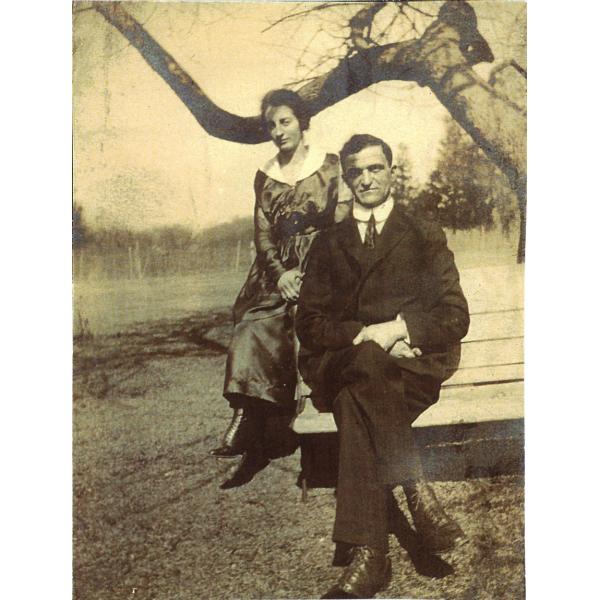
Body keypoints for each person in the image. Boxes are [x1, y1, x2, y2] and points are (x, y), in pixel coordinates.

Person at [295, 134, 470, 598]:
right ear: (347, 180)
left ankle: (369, 554)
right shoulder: (328, 243)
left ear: (391, 172)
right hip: (347, 360)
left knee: (356, 403)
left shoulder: (423, 233)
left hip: (410, 369)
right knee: (366, 365)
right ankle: (413, 485)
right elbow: (309, 322)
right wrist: (362, 335)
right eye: (356, 172)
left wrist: (400, 329)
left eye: (375, 168)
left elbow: (455, 314)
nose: (366, 179)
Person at [210, 89, 342, 489]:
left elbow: (341, 221)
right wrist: (282, 274)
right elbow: (262, 233)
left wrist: (316, 271)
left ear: (302, 122)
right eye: (271, 125)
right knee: (252, 325)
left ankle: (294, 441)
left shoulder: (330, 167)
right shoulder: (265, 176)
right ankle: (247, 415)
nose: (278, 131)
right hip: (277, 270)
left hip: (325, 262)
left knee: (308, 329)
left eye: (285, 121)